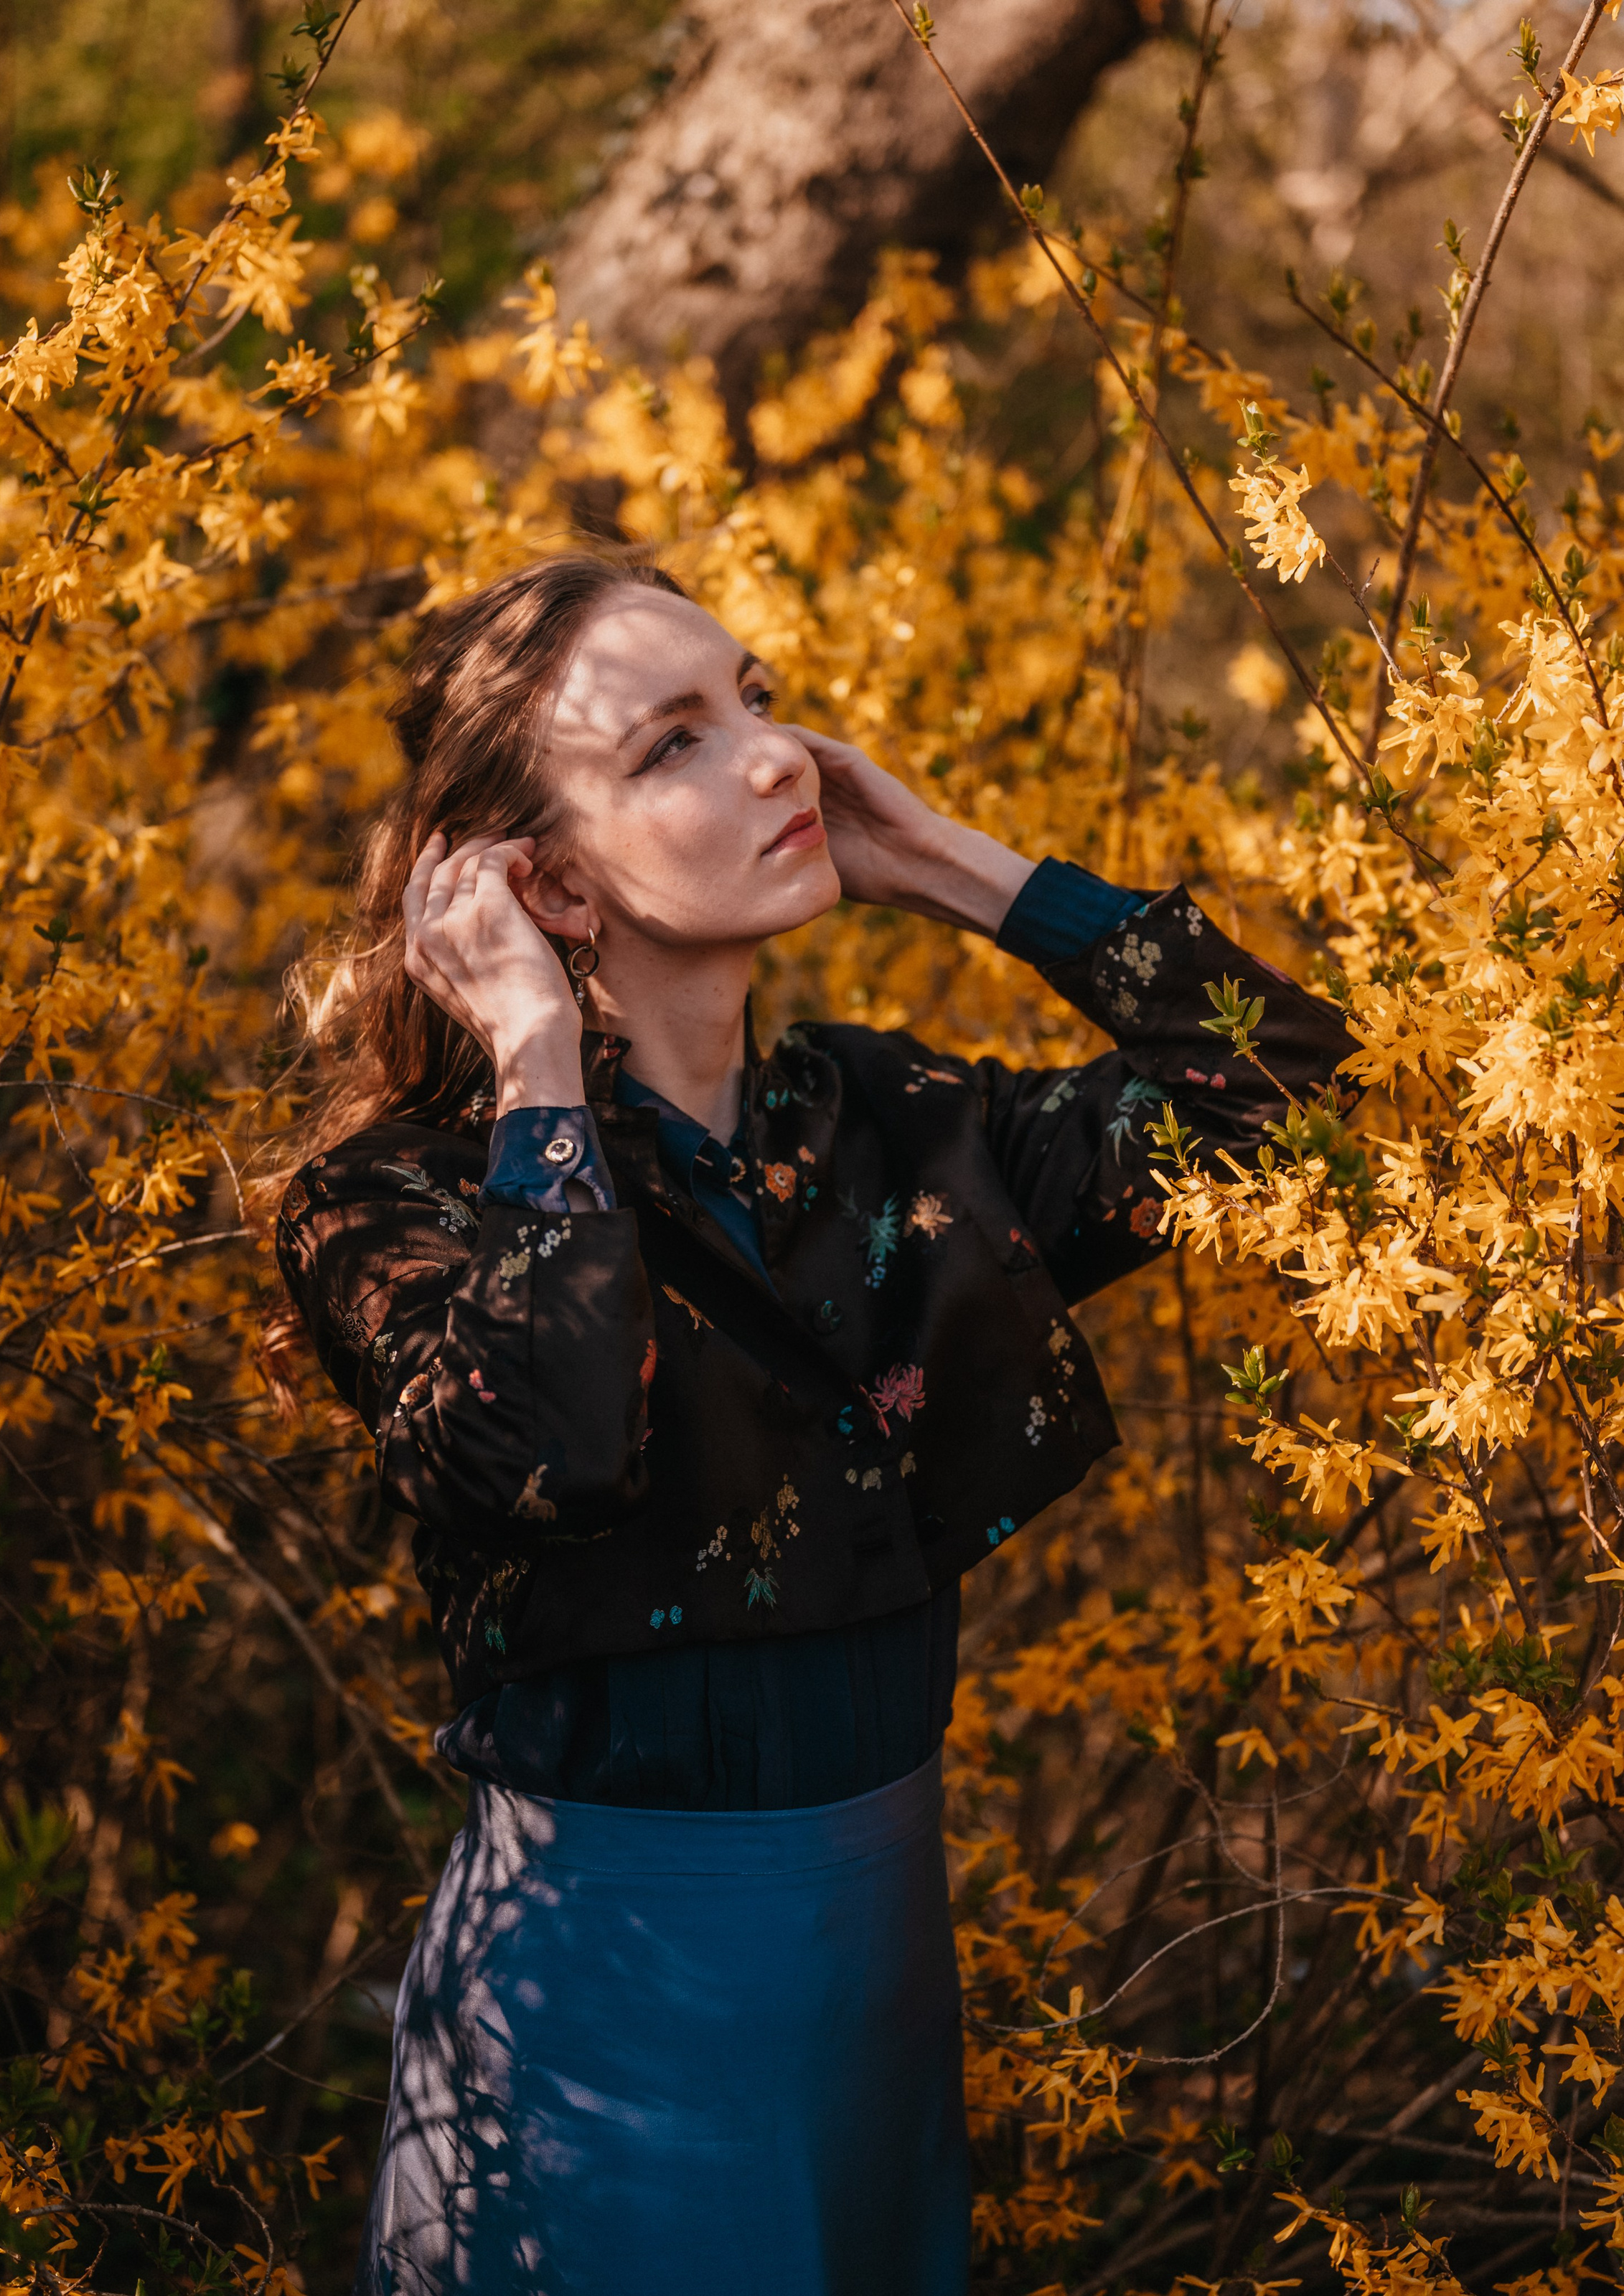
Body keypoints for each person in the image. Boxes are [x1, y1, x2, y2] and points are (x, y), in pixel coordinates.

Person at [270, 552, 1355, 2296]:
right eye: (671, 746)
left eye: (756, 699)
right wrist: (537, 1066)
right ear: (536, 877)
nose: (775, 758)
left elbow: (1289, 1090)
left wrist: (959, 868)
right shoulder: (391, 1200)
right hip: (596, 2007)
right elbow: (547, 1453)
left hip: (874, 1970)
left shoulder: (893, 1125)